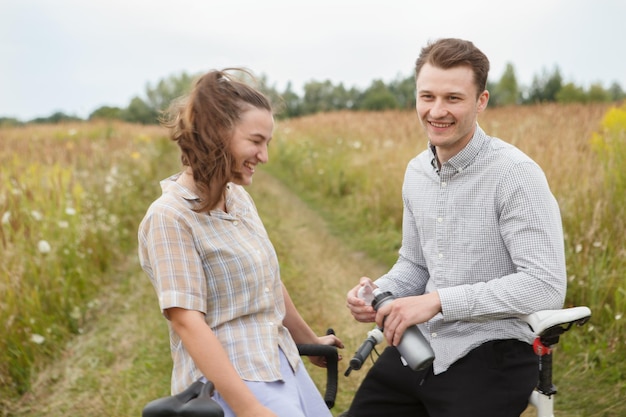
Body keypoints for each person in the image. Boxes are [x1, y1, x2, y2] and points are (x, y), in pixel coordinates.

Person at [344, 38, 567, 417]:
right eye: (427, 96)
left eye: (453, 98)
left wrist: (439, 302)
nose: (436, 111)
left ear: (481, 101)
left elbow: (545, 287)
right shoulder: (416, 172)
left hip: (493, 353)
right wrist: (382, 290)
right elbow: (416, 264)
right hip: (417, 346)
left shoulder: (516, 175)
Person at [138, 68, 343, 417]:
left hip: (278, 364)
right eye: (256, 141)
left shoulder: (238, 199)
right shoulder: (170, 217)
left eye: (267, 143)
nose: (264, 156)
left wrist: (307, 343)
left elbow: (269, 283)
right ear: (218, 135)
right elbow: (187, 323)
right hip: (230, 385)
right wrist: (248, 409)